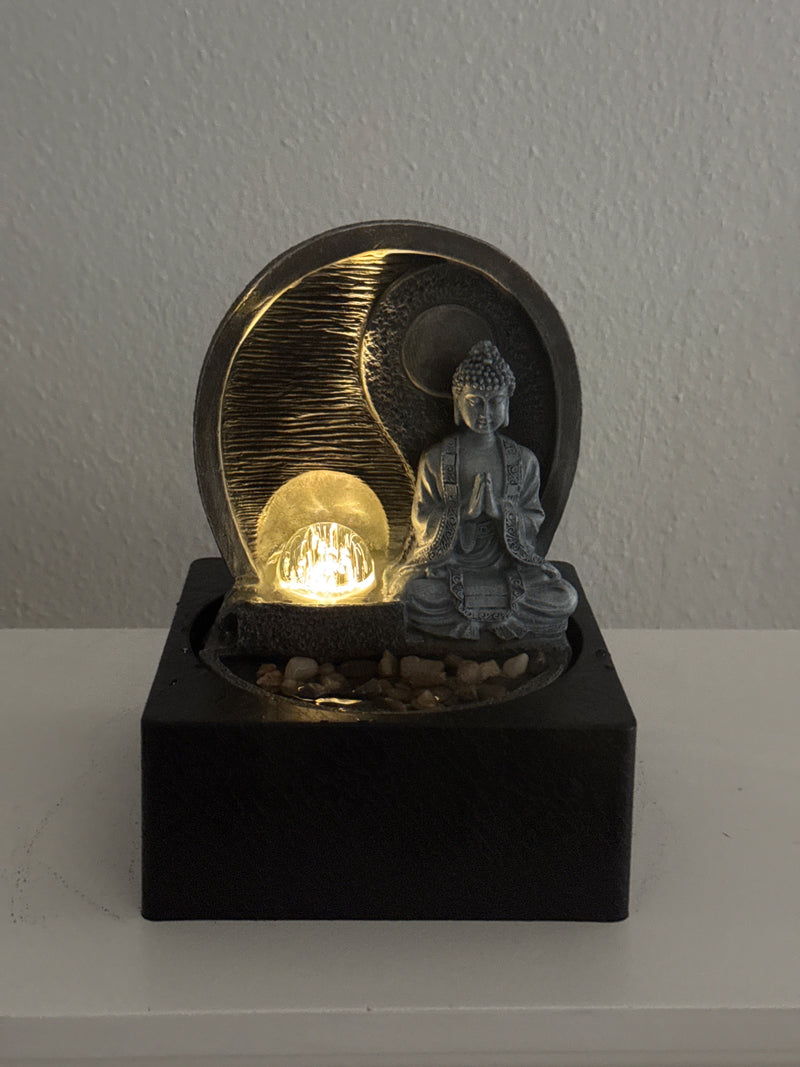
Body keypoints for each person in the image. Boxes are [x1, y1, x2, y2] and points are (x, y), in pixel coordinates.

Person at [388, 341, 577, 642]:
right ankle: (490, 622)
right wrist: (463, 511)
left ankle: (470, 623)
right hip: (451, 569)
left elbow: (532, 520)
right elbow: (422, 519)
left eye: (495, 402)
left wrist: (501, 512)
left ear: (507, 404)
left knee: (563, 597)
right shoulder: (436, 459)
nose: (485, 412)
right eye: (475, 402)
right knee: (407, 592)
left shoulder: (523, 460)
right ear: (457, 401)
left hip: (505, 570)